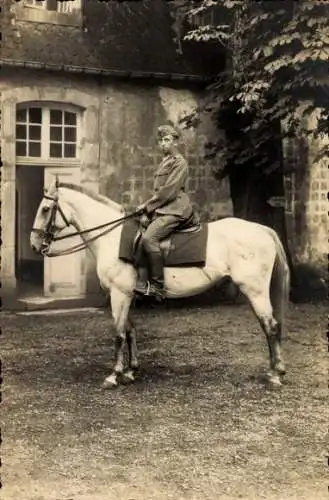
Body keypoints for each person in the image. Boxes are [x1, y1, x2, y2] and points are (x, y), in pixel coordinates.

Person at [134, 124, 193, 300]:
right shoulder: (165, 161)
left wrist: (146, 206)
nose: (163, 144)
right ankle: (141, 279)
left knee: (148, 238)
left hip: (176, 210)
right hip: (165, 208)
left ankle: (158, 286)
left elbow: (169, 191)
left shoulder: (179, 162)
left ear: (176, 142)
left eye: (167, 140)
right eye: (161, 141)